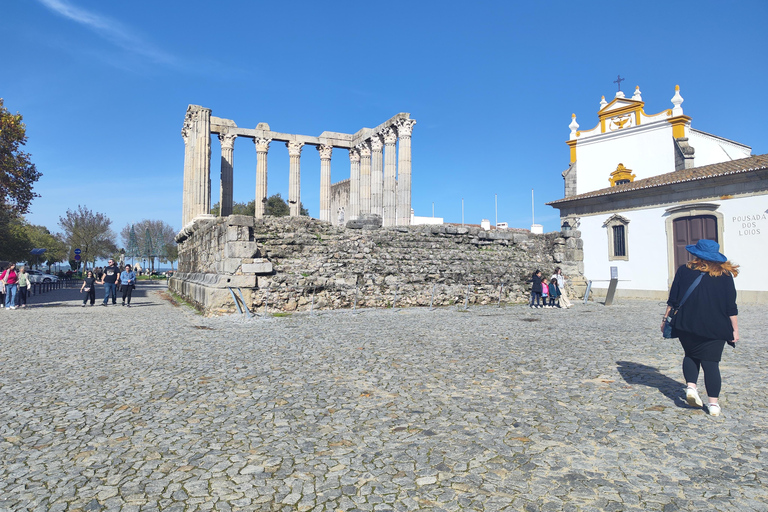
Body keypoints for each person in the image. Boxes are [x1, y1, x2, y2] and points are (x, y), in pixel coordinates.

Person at [662, 239, 739, 417]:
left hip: (686, 323)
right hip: (715, 326)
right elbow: (730, 306)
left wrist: (665, 319)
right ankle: (713, 405)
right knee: (711, 364)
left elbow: (673, 299)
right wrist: (735, 329)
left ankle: (691, 387)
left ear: (696, 254)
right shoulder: (725, 275)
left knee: (690, 355)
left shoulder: (684, 270)